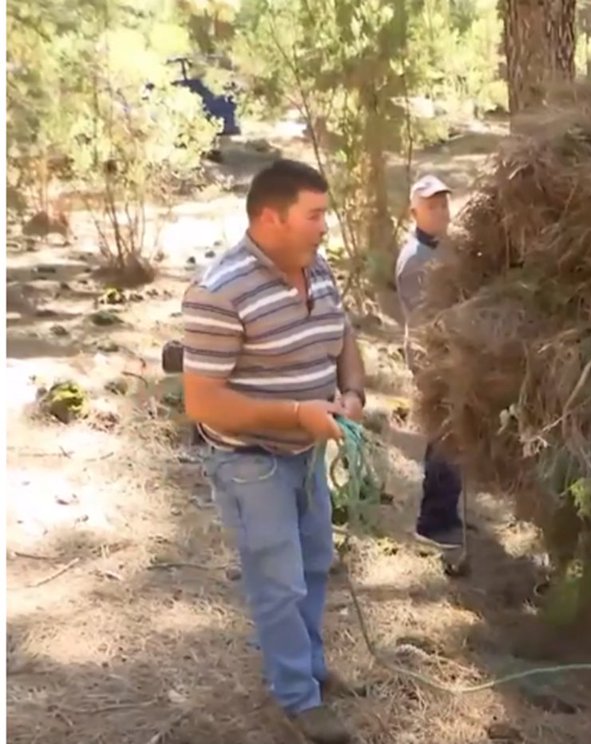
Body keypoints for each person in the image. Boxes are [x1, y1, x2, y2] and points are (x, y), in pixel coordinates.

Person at [181, 158, 367, 744]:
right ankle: (297, 697)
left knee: (314, 565)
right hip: (249, 459)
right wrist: (295, 414)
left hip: (307, 450)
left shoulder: (317, 268)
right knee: (280, 579)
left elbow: (345, 337)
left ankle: (308, 668)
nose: (324, 227)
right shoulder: (220, 292)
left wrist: (353, 392)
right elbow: (203, 402)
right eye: (314, 216)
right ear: (269, 217)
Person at [394, 174, 464, 549]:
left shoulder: (447, 247)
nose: (440, 213)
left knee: (458, 433)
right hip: (432, 357)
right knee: (443, 435)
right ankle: (432, 521)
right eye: (431, 207)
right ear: (414, 213)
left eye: (443, 205)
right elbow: (426, 320)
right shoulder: (415, 261)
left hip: (455, 352)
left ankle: (449, 511)